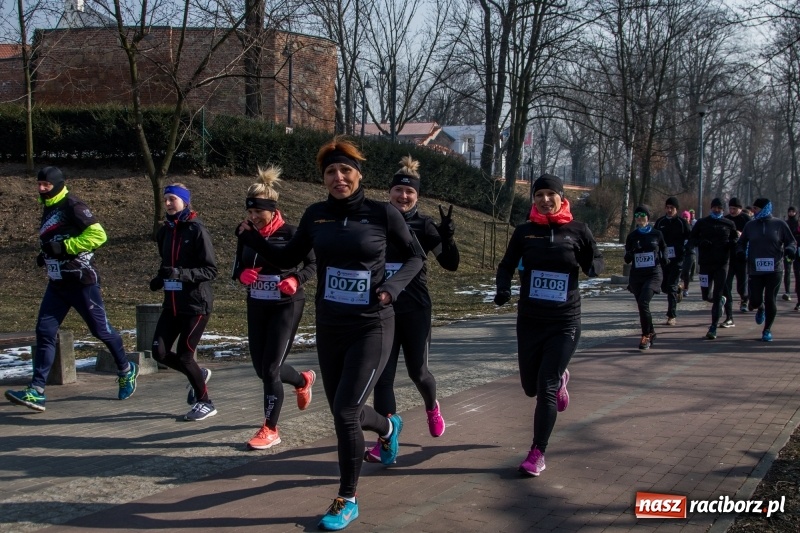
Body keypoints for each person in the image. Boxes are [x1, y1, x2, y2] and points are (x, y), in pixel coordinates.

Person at [236, 138, 424, 531]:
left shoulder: (383, 213)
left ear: (359, 174)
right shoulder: (315, 214)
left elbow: (415, 256)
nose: (338, 177)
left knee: (343, 413)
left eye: (345, 170)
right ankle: (389, 428)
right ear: (323, 178)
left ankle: (348, 498)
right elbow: (289, 258)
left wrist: (392, 287)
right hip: (331, 324)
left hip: (372, 323)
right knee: (347, 407)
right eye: (330, 172)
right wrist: (252, 239)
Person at [495, 174, 603, 477]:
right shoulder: (525, 232)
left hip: (564, 321)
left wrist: (591, 263)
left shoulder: (578, 230)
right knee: (530, 387)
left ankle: (537, 452)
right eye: (539, 195)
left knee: (545, 387)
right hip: (530, 320)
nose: (544, 200)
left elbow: (596, 262)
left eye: (550, 195)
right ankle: (561, 378)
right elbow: (506, 265)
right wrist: (503, 288)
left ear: (561, 197)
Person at [5, 167, 138, 412]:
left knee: (101, 330)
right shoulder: (49, 207)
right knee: (44, 332)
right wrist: (45, 256)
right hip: (57, 284)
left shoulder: (72, 205)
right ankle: (36, 391)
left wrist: (65, 247)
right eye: (39, 184)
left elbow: (99, 235)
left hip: (82, 282)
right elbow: (54, 239)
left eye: (46, 185)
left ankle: (126, 369)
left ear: (57, 184)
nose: (42, 189)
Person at [364, 156, 460, 463]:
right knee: (383, 378)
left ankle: (431, 406)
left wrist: (447, 237)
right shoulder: (377, 221)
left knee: (418, 372)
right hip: (382, 312)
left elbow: (450, 263)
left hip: (416, 311)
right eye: (398, 191)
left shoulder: (423, 224)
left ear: (416, 196)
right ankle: (386, 440)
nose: (403, 197)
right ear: (389, 192)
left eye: (410, 193)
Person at [232, 166, 317, 450]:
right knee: (262, 369)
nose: (253, 217)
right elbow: (238, 267)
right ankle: (303, 380)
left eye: (259, 212)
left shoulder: (293, 233)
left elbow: (313, 264)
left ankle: (270, 428)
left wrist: (296, 278)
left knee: (270, 369)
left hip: (286, 305)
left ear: (273, 209)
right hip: (257, 304)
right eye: (250, 212)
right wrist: (242, 275)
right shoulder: (246, 233)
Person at [150, 183, 219, 421]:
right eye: (166, 199)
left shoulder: (197, 230)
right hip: (172, 304)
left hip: (195, 305)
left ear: (185, 201)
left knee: (185, 356)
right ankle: (197, 374)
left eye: (173, 199)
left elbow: (210, 270)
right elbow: (166, 264)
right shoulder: (164, 231)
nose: (168, 204)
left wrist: (180, 274)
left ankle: (205, 402)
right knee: (158, 352)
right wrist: (160, 279)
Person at [736, 198, 797, 342]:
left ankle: (767, 329)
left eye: (756, 209)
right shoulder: (750, 226)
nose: (753, 211)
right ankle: (760, 307)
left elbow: (791, 241)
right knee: (755, 300)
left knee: (771, 299)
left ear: (764, 209)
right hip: (755, 269)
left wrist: (789, 249)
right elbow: (741, 242)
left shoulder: (779, 224)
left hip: (774, 269)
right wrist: (740, 251)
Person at [688, 198, 738, 340]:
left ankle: (713, 327)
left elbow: (735, 241)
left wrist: (733, 244)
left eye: (719, 208)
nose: (717, 210)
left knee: (717, 294)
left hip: (722, 264)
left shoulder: (729, 224)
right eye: (714, 207)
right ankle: (720, 300)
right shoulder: (702, 223)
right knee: (706, 295)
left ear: (723, 210)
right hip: (705, 264)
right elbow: (692, 239)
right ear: (711, 208)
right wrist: (699, 242)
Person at [624, 205, 667, 349]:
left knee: (643, 302)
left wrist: (665, 257)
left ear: (648, 217)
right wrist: (630, 253)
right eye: (637, 215)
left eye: (643, 215)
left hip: (653, 274)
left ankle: (646, 335)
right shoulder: (632, 236)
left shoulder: (656, 234)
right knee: (642, 306)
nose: (640, 218)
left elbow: (664, 248)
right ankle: (652, 332)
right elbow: (627, 259)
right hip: (637, 276)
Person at [654, 197, 690, 326]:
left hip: (677, 260)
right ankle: (679, 289)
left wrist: (685, 250)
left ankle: (671, 316)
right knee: (664, 287)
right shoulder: (660, 222)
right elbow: (654, 238)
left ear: (676, 209)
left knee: (671, 287)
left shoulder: (681, 223)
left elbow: (690, 238)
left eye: (672, 208)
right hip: (663, 260)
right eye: (667, 207)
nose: (669, 210)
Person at [723, 197, 751, 318]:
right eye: (730, 208)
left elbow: (751, 236)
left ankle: (744, 299)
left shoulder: (746, 219)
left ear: (740, 209)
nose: (732, 211)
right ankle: (727, 304)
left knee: (741, 284)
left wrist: (742, 235)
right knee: (726, 282)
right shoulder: (726, 219)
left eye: (734, 209)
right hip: (729, 256)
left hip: (742, 256)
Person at [782, 206, 798, 302]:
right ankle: (787, 292)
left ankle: (797, 290)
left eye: (793, 211)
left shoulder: (797, 223)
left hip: (797, 251)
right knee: (787, 271)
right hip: (787, 250)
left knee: (797, 272)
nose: (791, 213)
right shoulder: (785, 223)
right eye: (790, 211)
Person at [680, 210, 696, 297]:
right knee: (680, 271)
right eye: (684, 217)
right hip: (680, 252)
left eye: (687, 217)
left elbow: (695, 239)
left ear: (689, 219)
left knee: (686, 270)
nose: (685, 218)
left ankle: (686, 288)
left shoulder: (692, 228)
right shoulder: (678, 228)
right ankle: (679, 287)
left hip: (690, 252)